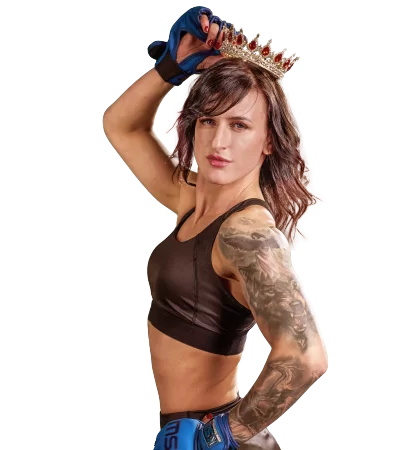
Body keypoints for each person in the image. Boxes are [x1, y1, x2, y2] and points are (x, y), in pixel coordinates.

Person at [103, 6, 327, 449]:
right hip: (185, 434)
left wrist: (218, 434)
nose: (218, 142)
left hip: (215, 438)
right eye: (208, 120)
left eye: (239, 125)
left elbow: (306, 356)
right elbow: (120, 127)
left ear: (269, 140)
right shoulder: (194, 198)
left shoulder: (248, 235)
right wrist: (171, 67)